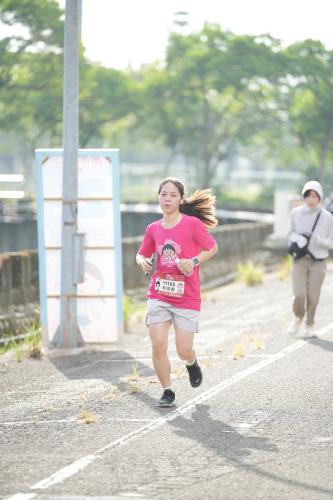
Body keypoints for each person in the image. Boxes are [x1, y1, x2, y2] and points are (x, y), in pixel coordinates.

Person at [136, 177, 219, 407]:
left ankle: (191, 362)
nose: (167, 199)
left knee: (183, 350)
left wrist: (193, 261)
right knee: (158, 344)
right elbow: (142, 253)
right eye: (163, 194)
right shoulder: (153, 229)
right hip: (159, 294)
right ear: (158, 198)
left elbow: (212, 248)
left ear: (181, 199)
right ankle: (167, 390)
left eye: (172, 195)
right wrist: (142, 261)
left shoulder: (192, 224)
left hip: (186, 297)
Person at [287, 180, 333, 338]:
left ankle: (310, 323)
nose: (311, 199)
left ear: (320, 197)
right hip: (299, 260)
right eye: (308, 196)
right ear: (304, 196)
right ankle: (298, 317)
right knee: (299, 294)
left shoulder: (327, 217)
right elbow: (289, 234)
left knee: (313, 296)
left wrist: (321, 241)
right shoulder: (295, 213)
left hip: (318, 261)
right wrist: (297, 238)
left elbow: (331, 242)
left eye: (315, 196)